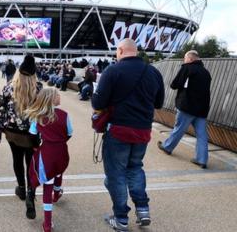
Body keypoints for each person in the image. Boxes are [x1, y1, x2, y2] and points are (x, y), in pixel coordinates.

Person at [91, 39, 164, 231]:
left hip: (118, 130)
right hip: (143, 130)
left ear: (121, 50)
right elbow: (158, 103)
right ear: (136, 51)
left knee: (116, 175)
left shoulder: (112, 71)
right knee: (135, 168)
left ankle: (121, 218)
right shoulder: (154, 72)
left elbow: (98, 103)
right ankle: (143, 210)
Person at [0, 55, 42, 220]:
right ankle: (30, 194)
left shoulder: (9, 87)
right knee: (31, 164)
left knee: (17, 159)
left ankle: (21, 188)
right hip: (32, 135)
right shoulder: (40, 88)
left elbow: (0, 109)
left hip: (12, 133)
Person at [26, 88, 73, 232]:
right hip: (62, 151)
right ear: (52, 99)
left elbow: (32, 135)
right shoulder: (64, 115)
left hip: (46, 153)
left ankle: (47, 223)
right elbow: (70, 133)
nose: (60, 96)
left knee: (48, 184)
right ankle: (57, 193)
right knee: (59, 171)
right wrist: (60, 139)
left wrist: (36, 147)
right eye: (57, 95)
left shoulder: (37, 116)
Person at [158, 50, 212, 169]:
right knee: (202, 135)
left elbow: (175, 84)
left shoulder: (188, 68)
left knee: (179, 129)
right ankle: (202, 159)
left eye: (185, 59)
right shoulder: (206, 72)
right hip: (202, 109)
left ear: (190, 59)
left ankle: (167, 147)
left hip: (187, 106)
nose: (184, 61)